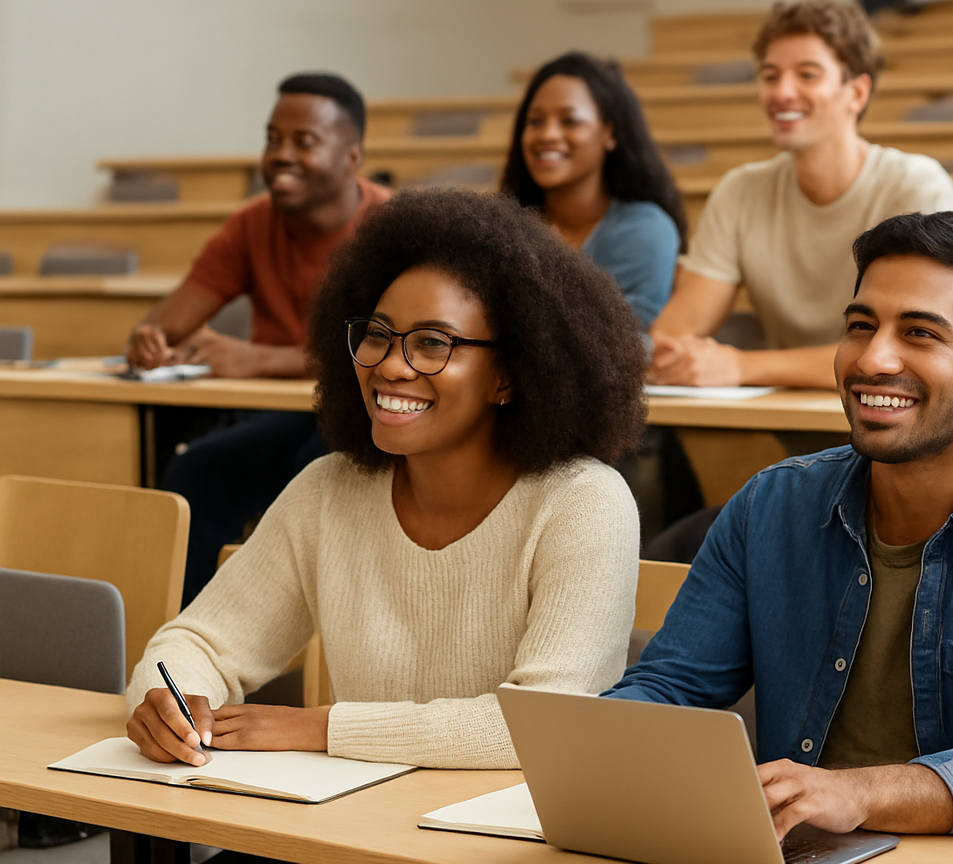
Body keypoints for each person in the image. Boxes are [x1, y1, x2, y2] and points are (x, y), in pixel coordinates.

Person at [609, 211, 953, 839]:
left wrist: (857, 792)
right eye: (861, 326)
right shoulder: (770, 505)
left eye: (919, 334)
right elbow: (671, 688)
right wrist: (599, 754)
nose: (875, 359)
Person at [124, 188, 648, 770]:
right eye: (377, 334)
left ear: (510, 375)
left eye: (433, 343)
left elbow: (545, 721)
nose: (390, 365)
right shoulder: (328, 489)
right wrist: (165, 703)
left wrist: (321, 727)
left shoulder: (584, 503)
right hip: (344, 825)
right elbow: (197, 643)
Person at [124, 73, 394, 606]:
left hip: (369, 415)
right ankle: (186, 648)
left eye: (303, 141)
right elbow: (169, 318)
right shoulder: (252, 224)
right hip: (281, 414)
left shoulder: (393, 227)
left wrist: (258, 359)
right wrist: (148, 338)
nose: (280, 155)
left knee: (316, 471)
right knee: (192, 471)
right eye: (273, 140)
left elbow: (391, 348)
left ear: (352, 158)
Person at [647, 0, 953, 389]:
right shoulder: (739, 192)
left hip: (896, 409)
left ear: (857, 93)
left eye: (807, 75)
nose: (782, 92)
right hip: (788, 411)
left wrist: (744, 367)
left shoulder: (916, 187)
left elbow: (915, 349)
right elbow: (671, 337)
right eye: (770, 76)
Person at [500, 51, 686, 328]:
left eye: (569, 120)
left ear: (609, 133)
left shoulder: (644, 231)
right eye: (535, 121)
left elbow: (628, 345)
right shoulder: (507, 228)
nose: (547, 134)